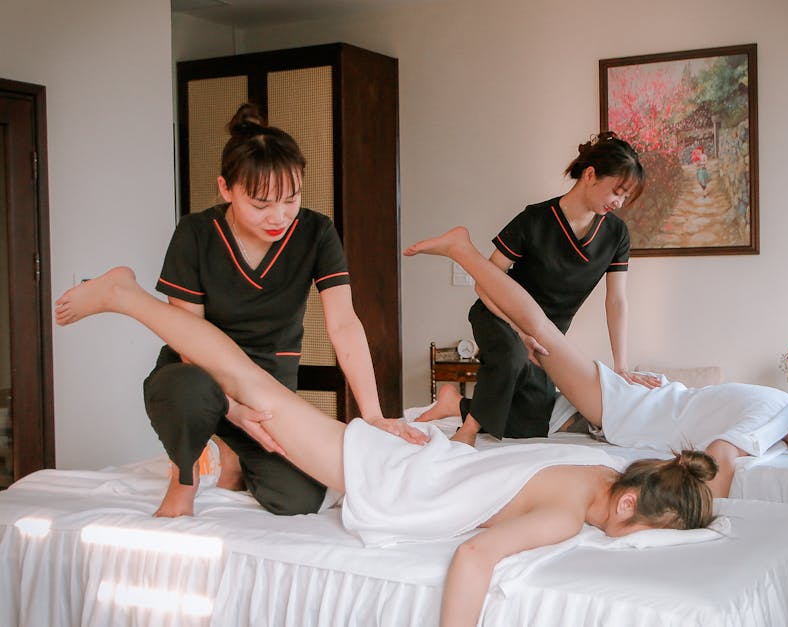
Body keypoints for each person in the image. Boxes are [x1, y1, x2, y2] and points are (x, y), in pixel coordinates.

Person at [54, 267, 717, 627]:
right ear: (629, 502)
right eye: (637, 532)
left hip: (409, 463)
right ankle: (126, 294)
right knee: (245, 382)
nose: (625, 538)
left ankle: (224, 456)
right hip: (386, 472)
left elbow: (694, 482)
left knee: (251, 396)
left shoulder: (604, 461)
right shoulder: (571, 510)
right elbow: (476, 554)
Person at [403, 227, 788, 498]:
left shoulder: (783, 404)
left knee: (534, 380)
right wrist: (708, 514)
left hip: (636, 404)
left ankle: (457, 407)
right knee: (541, 331)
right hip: (624, 407)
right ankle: (463, 250)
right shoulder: (774, 418)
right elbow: (721, 457)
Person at [144, 103, 425, 518]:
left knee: (298, 499)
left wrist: (373, 415)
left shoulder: (315, 232)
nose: (279, 217)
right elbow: (188, 336)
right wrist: (232, 411)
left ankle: (237, 459)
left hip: (267, 384)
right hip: (197, 379)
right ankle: (183, 479)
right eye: (260, 205)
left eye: (290, 199)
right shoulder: (196, 234)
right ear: (226, 189)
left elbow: (344, 324)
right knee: (188, 390)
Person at [419, 132, 660, 446]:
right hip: (498, 314)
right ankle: (466, 433)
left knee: (532, 423)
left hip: (548, 338)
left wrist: (622, 366)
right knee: (511, 357)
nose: (619, 203)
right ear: (590, 175)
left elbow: (616, 300)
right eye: (617, 191)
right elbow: (485, 282)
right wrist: (522, 333)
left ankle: (455, 404)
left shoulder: (616, 234)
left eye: (626, 198)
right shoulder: (534, 220)